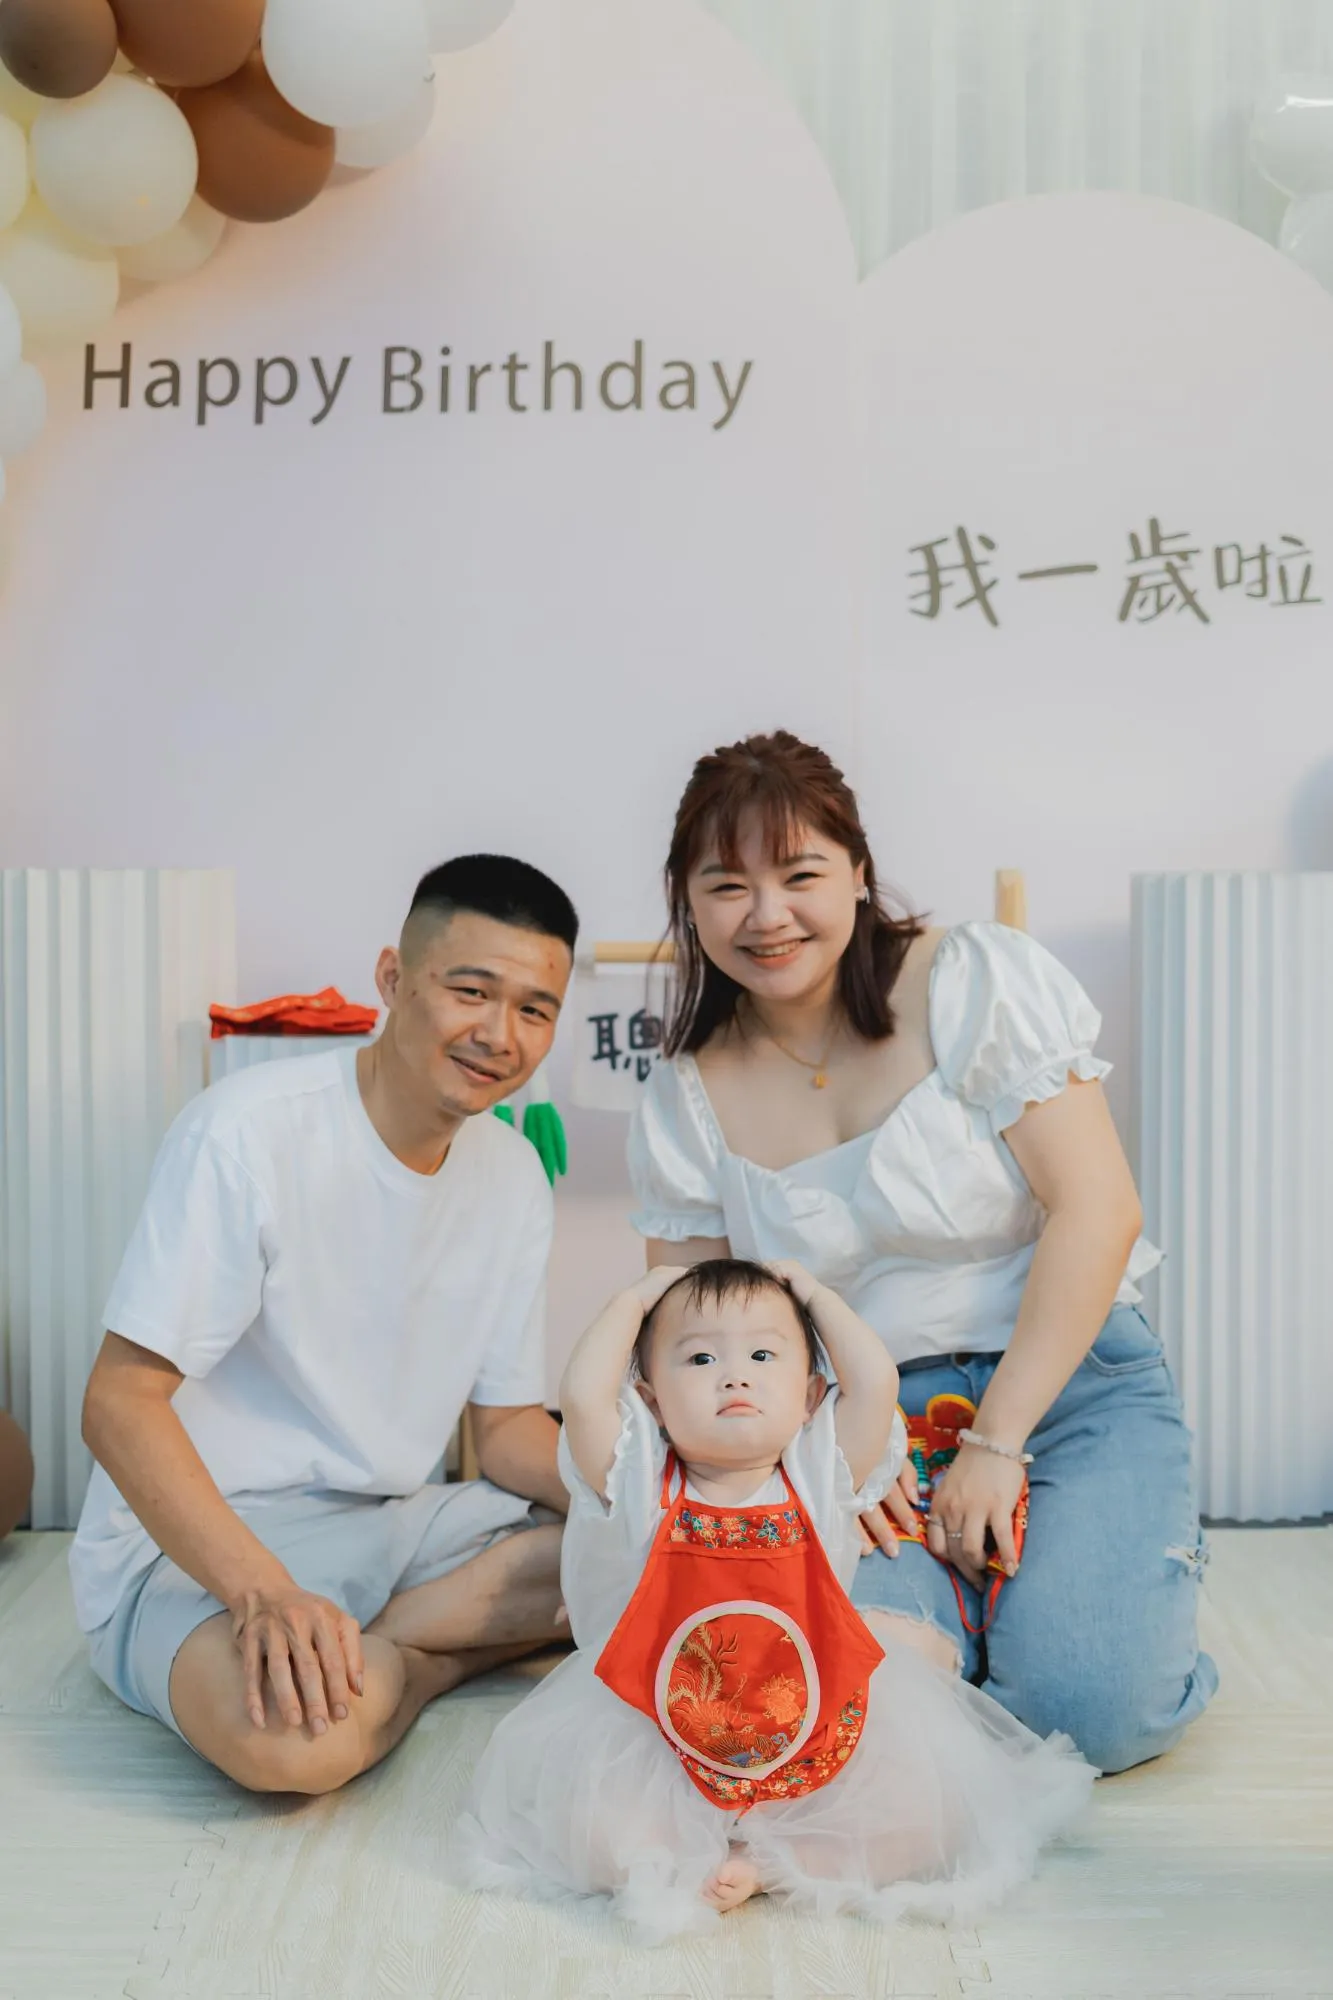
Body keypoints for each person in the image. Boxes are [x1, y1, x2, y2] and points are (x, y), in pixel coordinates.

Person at [627, 731, 1217, 1776]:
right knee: (865, 1705)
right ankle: (996, 1614)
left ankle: (1108, 1594)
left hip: (1069, 1388)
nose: (765, 915)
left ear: (858, 872)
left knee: (1087, 1716)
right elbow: (693, 1330)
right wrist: (817, 1460)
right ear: (688, 903)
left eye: (799, 874)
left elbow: (1097, 1210)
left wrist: (995, 1443)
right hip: (858, 1436)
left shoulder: (971, 978)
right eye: (725, 886)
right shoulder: (684, 1093)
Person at [72, 853, 577, 1796]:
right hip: (205, 1545)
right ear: (393, 977)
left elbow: (507, 1429)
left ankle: (384, 1649)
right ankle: (426, 1656)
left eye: (533, 1010)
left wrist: (650, 1501)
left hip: (395, 1526)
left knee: (650, 1557)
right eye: (470, 992)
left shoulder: (513, 1175)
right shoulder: (247, 1133)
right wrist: (264, 1591)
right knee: (291, 1746)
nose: (497, 1035)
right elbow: (117, 1404)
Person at [457, 1259, 1092, 1940]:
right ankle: (687, 1852)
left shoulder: (820, 1477)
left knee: (925, 1815)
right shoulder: (642, 1486)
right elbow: (583, 1397)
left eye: (762, 1356)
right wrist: (633, 1300)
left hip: (821, 1726)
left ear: (812, 1396)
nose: (734, 1376)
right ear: (651, 1402)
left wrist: (815, 1295)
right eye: (700, 1358)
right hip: (662, 1735)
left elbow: (875, 1382)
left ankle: (773, 1861)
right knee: (586, 1826)